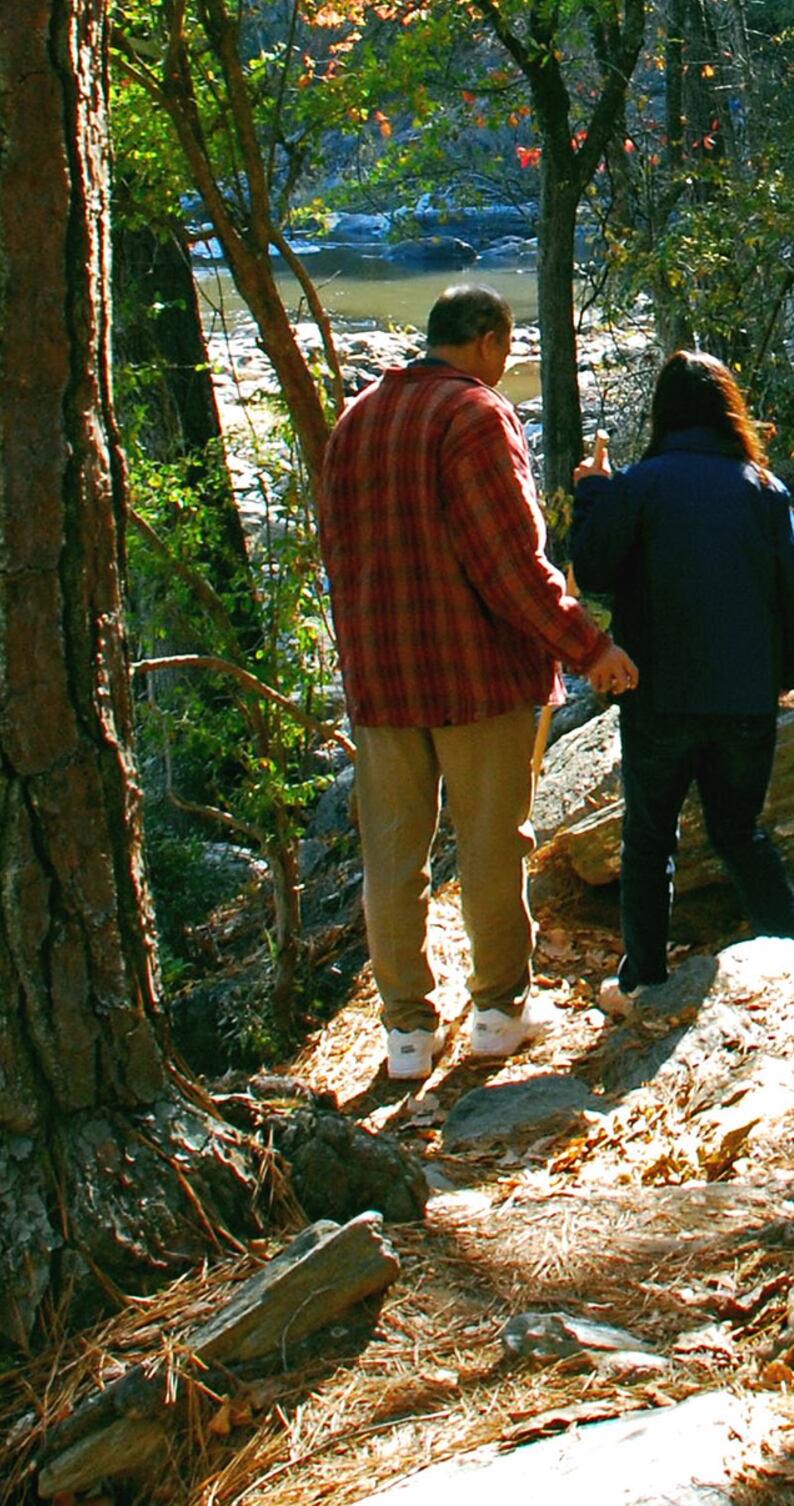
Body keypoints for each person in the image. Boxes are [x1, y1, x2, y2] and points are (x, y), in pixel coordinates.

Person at [318, 282, 639, 1082]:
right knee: (494, 844)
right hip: (473, 673)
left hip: (380, 675)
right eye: (509, 347)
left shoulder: (356, 419)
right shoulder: (476, 414)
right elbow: (509, 564)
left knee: (393, 857)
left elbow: (337, 552)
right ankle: (498, 1010)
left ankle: (405, 1034)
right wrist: (587, 646)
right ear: (491, 341)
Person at [568, 351, 794, 1010]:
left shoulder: (638, 485)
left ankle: (643, 980)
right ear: (726, 410)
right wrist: (781, 674)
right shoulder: (764, 489)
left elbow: (592, 570)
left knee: (650, 840)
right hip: (744, 698)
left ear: (663, 415)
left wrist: (592, 492)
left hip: (660, 698)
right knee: (740, 834)